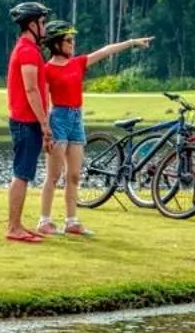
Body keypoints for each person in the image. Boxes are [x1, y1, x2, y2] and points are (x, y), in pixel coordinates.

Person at [36, 22, 153, 238]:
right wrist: (45, 128)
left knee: (73, 175)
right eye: (68, 40)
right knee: (53, 175)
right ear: (56, 44)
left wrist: (132, 43)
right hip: (58, 119)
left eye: (73, 40)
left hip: (76, 119)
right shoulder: (47, 70)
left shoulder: (78, 63)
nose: (73, 43)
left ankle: (71, 221)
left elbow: (105, 51)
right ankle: (44, 220)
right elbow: (42, 100)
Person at [5, 1, 55, 243]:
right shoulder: (26, 51)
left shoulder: (30, 49)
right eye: (43, 22)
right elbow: (32, 90)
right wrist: (45, 124)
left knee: (23, 173)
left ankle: (17, 224)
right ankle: (13, 227)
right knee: (22, 174)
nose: (45, 27)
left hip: (29, 121)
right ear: (32, 24)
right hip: (26, 122)